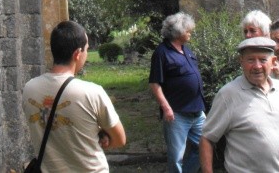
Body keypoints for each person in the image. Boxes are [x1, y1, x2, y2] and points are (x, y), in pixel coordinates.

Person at [22, 20, 126, 173]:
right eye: (86, 50)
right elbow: (119, 139)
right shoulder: (92, 93)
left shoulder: (29, 88)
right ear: (77, 53)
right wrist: (101, 137)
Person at [199, 36, 279, 173]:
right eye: (250, 60)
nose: (257, 66)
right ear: (241, 62)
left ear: (272, 62)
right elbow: (207, 138)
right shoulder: (228, 94)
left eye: (262, 60)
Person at [148, 12, 205, 173]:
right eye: (188, 30)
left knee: (205, 147)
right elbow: (155, 83)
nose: (190, 33)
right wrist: (166, 108)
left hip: (197, 111)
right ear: (178, 32)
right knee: (176, 157)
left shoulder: (186, 50)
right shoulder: (162, 53)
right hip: (177, 113)